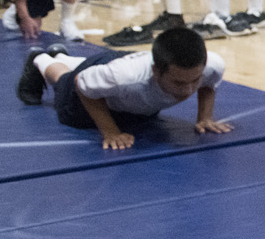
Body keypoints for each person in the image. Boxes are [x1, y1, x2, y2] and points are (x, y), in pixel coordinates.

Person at [16, 27, 230, 150]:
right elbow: (80, 83)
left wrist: (205, 117)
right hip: (92, 86)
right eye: (179, 83)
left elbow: (209, 82)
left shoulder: (211, 64)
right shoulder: (125, 76)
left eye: (195, 80)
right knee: (65, 81)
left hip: (117, 67)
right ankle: (42, 59)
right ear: (156, 71)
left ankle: (62, 55)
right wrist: (110, 132)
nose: (188, 90)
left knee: (125, 96)